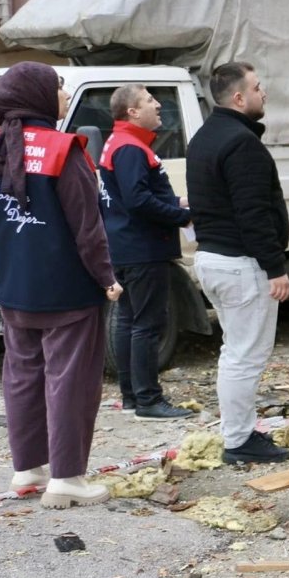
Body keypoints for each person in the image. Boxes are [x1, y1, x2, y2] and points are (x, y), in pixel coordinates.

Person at [0, 62, 123, 509]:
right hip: (68, 289)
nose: (65, 94)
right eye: (58, 86)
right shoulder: (63, 148)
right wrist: (107, 278)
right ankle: (68, 478)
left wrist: (20, 229)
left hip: (15, 281)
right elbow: (88, 228)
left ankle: (27, 470)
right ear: (37, 95)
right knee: (69, 379)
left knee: (22, 375)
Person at [186, 61, 289, 464]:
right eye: (258, 87)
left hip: (214, 258)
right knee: (245, 356)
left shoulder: (204, 137)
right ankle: (239, 440)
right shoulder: (241, 142)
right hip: (239, 263)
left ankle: (240, 430)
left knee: (236, 352)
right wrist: (275, 267)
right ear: (238, 97)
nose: (263, 93)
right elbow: (253, 213)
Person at [98, 84, 194, 421]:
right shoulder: (130, 148)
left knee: (129, 320)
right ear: (132, 112)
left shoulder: (122, 143)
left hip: (126, 245)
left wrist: (176, 202)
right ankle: (149, 400)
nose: (158, 105)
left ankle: (132, 396)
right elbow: (137, 200)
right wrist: (182, 215)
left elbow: (134, 196)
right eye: (150, 100)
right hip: (142, 248)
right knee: (147, 324)